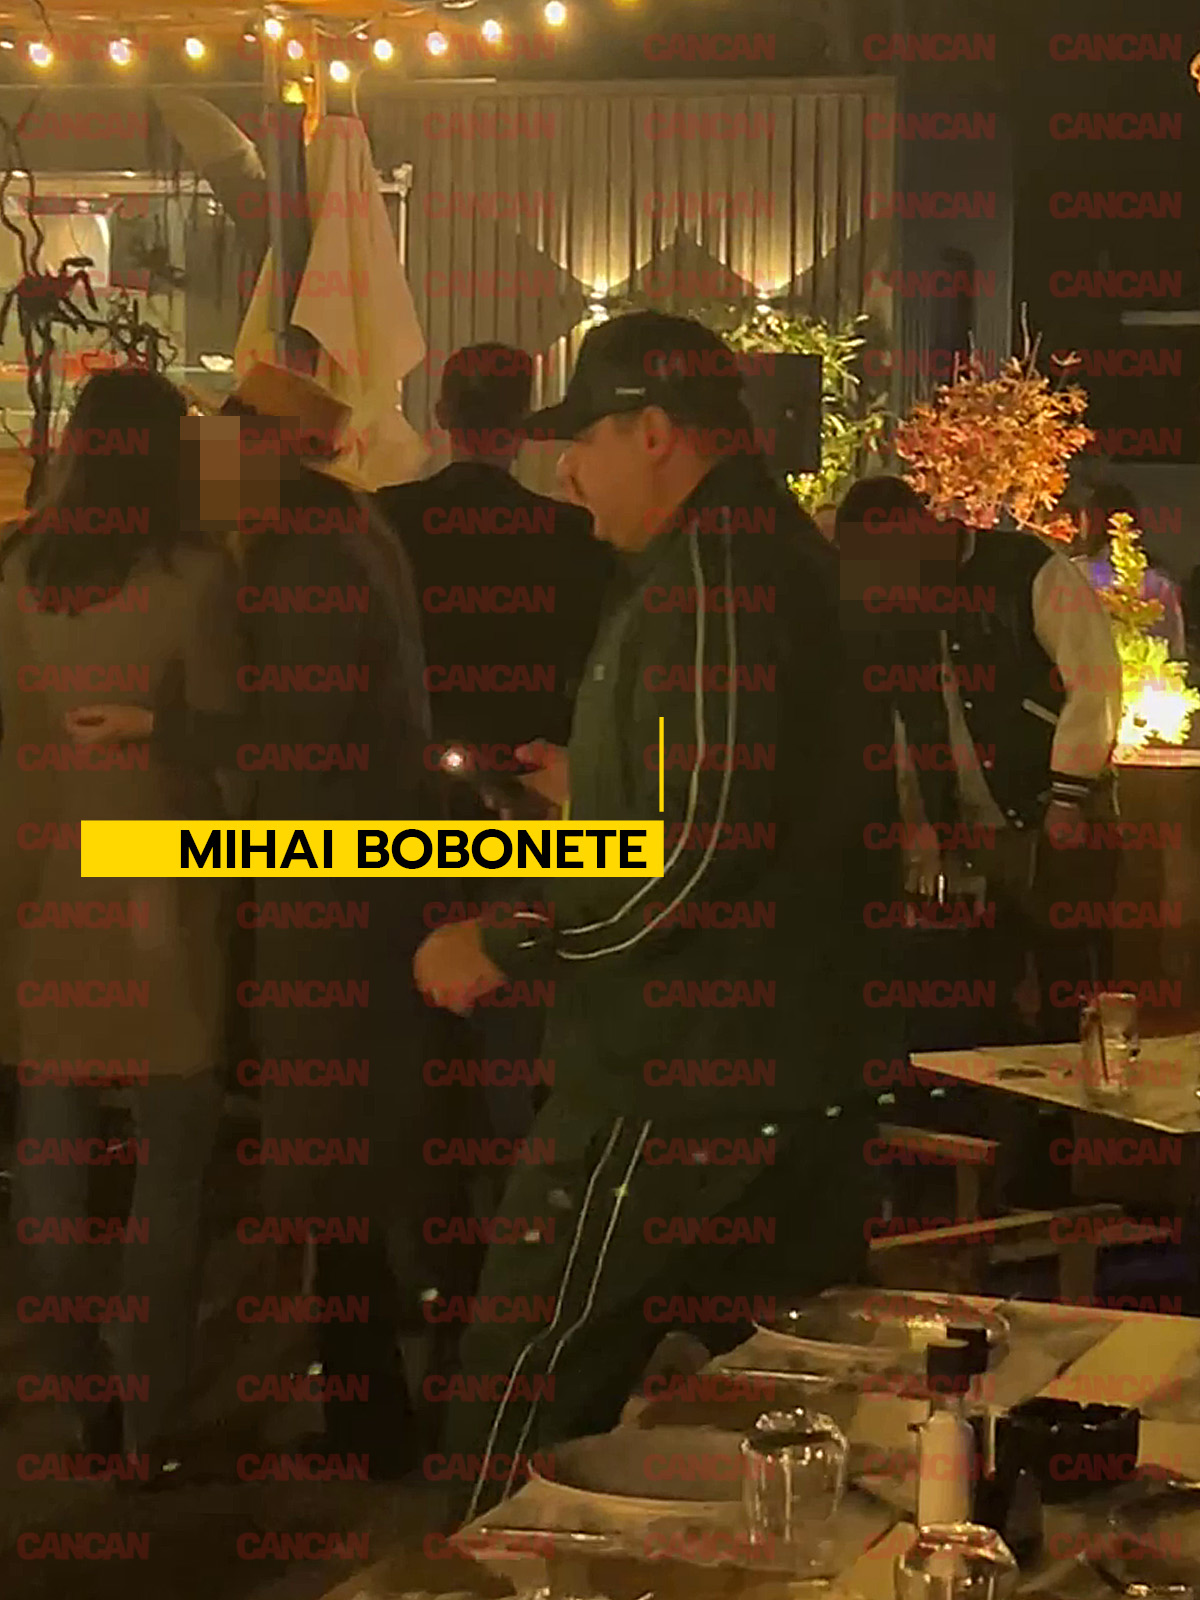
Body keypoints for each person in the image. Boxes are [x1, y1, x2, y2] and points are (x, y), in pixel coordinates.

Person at [412, 310, 892, 1520]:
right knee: (786, 1408)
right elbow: (747, 801)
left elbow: (695, 854)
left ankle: (476, 1579)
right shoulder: (759, 555)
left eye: (582, 442)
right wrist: (603, 782)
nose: (567, 474)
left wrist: (507, 939)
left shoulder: (712, 579)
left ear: (657, 431)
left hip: (672, 1077)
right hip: (783, 1070)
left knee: (527, 1378)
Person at [65, 363, 483, 1477]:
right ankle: (385, 1408)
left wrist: (160, 729)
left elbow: (294, 740)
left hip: (333, 890)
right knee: (363, 1161)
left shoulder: (309, 560)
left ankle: (372, 1426)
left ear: (270, 449)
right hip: (364, 875)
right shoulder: (347, 534)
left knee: (337, 1165)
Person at [0, 367, 241, 1482]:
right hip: (162, 891)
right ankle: (145, 1412)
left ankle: (73, 1386)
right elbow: (233, 731)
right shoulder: (200, 575)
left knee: (51, 1160)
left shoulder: (18, 574)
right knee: (168, 1171)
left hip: (44, 889)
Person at [838, 476, 1123, 1046]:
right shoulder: (903, 605)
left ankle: (1084, 1096)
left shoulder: (1025, 568)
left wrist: (1068, 795)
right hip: (977, 838)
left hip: (1053, 817)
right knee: (984, 1011)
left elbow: (1095, 678)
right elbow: (909, 721)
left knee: (1073, 995)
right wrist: (928, 832)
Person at [376, 341, 615, 757]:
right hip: (536, 764)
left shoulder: (385, 519)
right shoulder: (572, 532)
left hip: (410, 758)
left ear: (442, 416)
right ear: (523, 421)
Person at [1076, 482, 1186, 657]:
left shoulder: (1073, 573)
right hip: (1149, 669)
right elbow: (1175, 648)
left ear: (1089, 523)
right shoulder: (1160, 584)